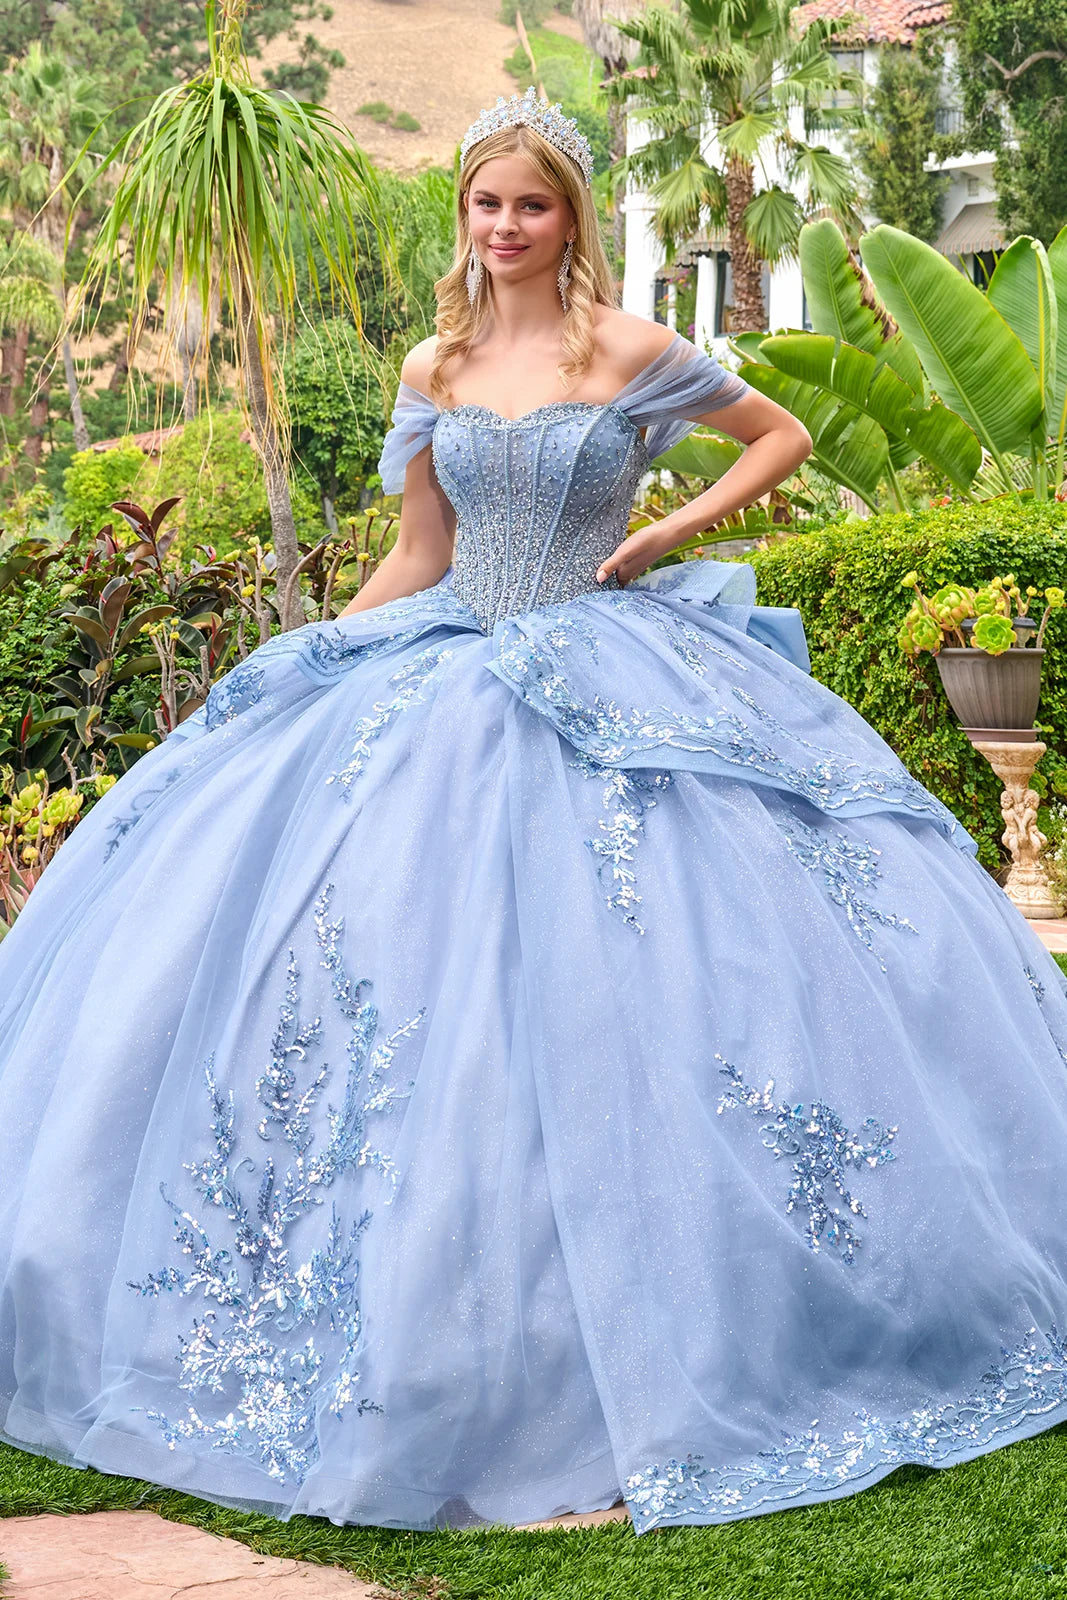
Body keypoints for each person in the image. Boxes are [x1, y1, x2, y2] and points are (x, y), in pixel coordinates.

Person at [2, 88, 1067, 1540]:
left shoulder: (621, 347)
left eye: (534, 204)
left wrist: (665, 531)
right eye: (487, 203)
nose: (506, 226)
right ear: (467, 215)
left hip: (607, 653)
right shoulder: (431, 361)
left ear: (570, 218)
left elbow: (779, 435)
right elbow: (419, 551)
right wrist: (312, 650)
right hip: (445, 662)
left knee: (667, 967)